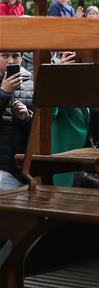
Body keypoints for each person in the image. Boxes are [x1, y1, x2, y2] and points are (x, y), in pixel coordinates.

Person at [0, 51, 33, 190]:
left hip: (22, 167)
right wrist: (4, 93)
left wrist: (26, 117)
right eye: (5, 56)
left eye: (16, 56)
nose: (11, 61)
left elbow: (39, 130)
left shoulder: (31, 85)